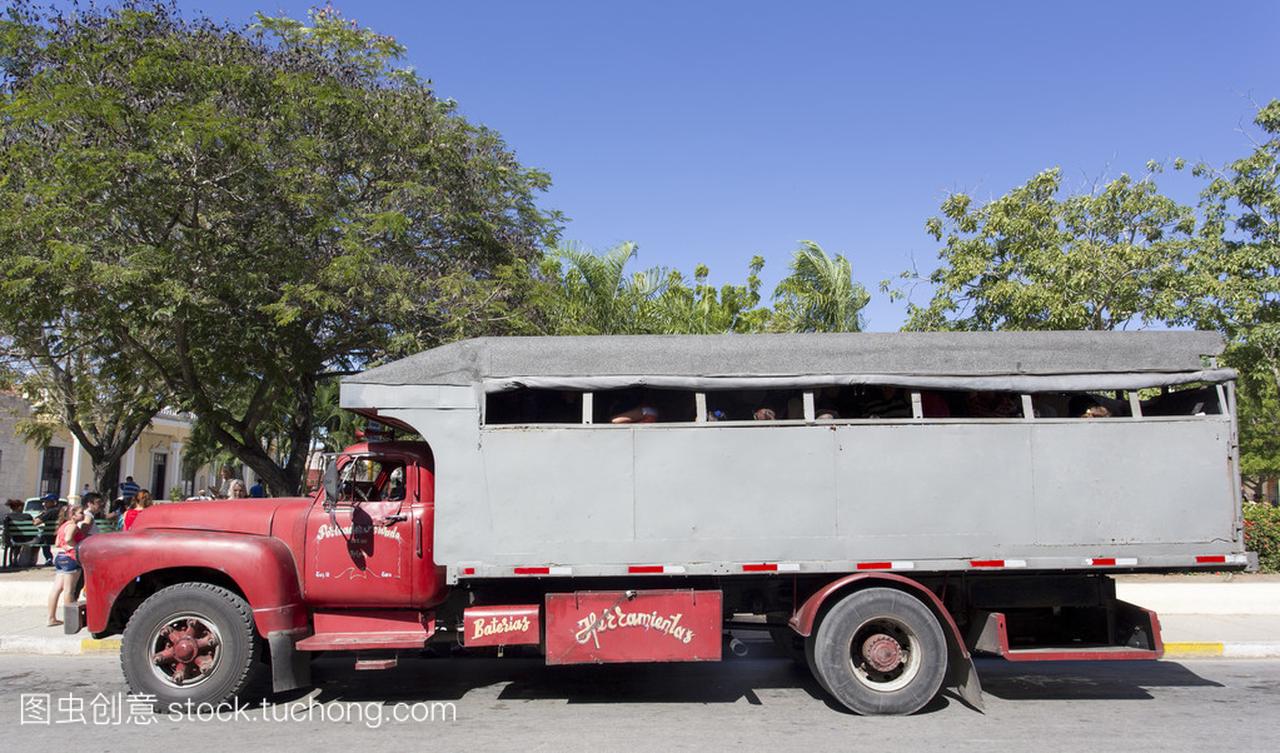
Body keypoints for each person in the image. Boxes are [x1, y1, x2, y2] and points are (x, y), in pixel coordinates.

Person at [47, 502, 91, 626]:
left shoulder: (62, 526)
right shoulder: (73, 526)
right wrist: (73, 546)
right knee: (69, 590)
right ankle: (70, 620)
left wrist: (65, 546)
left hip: (60, 558)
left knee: (56, 589)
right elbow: (67, 539)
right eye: (80, 513)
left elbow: (57, 543)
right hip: (70, 558)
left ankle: (51, 617)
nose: (83, 515)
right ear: (73, 515)